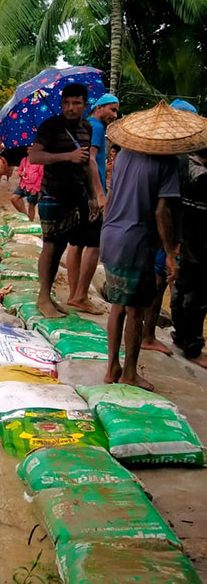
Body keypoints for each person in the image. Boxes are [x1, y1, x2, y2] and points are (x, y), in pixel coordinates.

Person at [101, 101, 196, 389]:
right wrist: (169, 252)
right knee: (136, 311)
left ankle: (112, 368)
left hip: (112, 235)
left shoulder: (124, 155)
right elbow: (161, 212)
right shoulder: (165, 164)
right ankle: (130, 373)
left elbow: (113, 192)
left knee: (118, 305)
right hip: (136, 241)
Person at [28, 83, 96, 319]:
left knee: (61, 248)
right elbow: (35, 156)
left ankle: (49, 296)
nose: (70, 108)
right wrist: (68, 156)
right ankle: (43, 297)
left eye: (76, 103)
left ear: (85, 106)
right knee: (50, 245)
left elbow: (87, 164)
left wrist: (94, 195)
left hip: (76, 196)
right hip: (52, 194)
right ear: (60, 104)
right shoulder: (50, 126)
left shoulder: (87, 128)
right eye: (66, 103)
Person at [142, 100, 201, 354]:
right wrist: (171, 246)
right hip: (171, 230)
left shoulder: (153, 151)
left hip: (157, 228)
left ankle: (151, 333)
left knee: (163, 282)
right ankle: (151, 335)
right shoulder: (179, 158)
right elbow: (166, 206)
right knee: (164, 282)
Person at [67, 93, 119, 315]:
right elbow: (90, 160)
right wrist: (99, 194)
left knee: (76, 243)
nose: (115, 115)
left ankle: (74, 294)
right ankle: (79, 296)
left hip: (78, 189)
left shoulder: (84, 125)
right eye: (112, 110)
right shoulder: (96, 127)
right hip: (89, 192)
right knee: (94, 244)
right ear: (99, 108)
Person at [171, 146, 207, 369]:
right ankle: (192, 346)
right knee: (197, 296)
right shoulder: (201, 175)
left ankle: (181, 334)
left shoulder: (180, 162)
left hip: (183, 236)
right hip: (199, 241)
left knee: (181, 289)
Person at [10, 154, 44, 221]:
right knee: (13, 198)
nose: (29, 151)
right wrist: (21, 173)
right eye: (28, 150)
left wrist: (36, 188)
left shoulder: (40, 161)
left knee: (31, 205)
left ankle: (30, 222)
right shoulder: (24, 160)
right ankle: (25, 216)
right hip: (23, 184)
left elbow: (41, 176)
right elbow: (19, 170)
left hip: (34, 186)